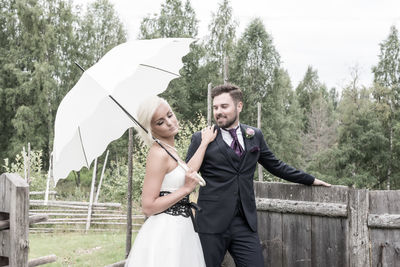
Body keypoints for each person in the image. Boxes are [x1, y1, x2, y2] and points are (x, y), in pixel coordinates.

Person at [186, 84, 331, 267]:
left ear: (239, 106)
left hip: (244, 223)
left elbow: (276, 165)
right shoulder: (201, 137)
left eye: (224, 106)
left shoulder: (254, 135)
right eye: (215, 107)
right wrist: (205, 143)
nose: (218, 112)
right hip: (211, 223)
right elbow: (188, 173)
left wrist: (310, 179)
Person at [125, 96, 217, 267]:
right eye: (160, 122)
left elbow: (188, 171)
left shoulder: (169, 150)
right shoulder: (158, 154)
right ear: (150, 129)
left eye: (170, 114)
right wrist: (186, 189)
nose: (169, 122)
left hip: (182, 229)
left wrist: (204, 143)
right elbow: (148, 206)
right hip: (166, 234)